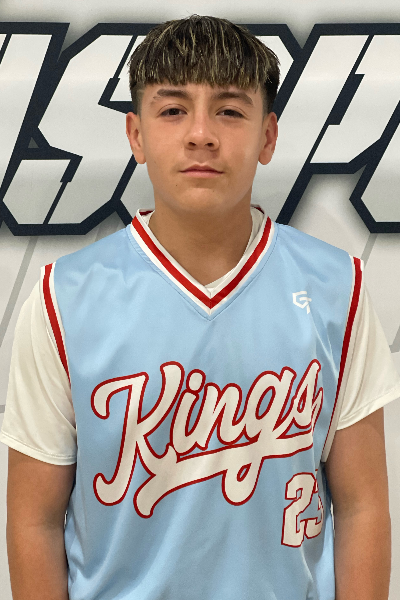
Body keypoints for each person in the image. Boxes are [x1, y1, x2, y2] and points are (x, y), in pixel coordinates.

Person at [1, 14, 400, 600]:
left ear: (268, 137)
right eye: (172, 109)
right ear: (136, 135)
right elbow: (33, 520)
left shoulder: (338, 286)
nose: (201, 134)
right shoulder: (64, 296)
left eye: (230, 111)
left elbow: (362, 505)